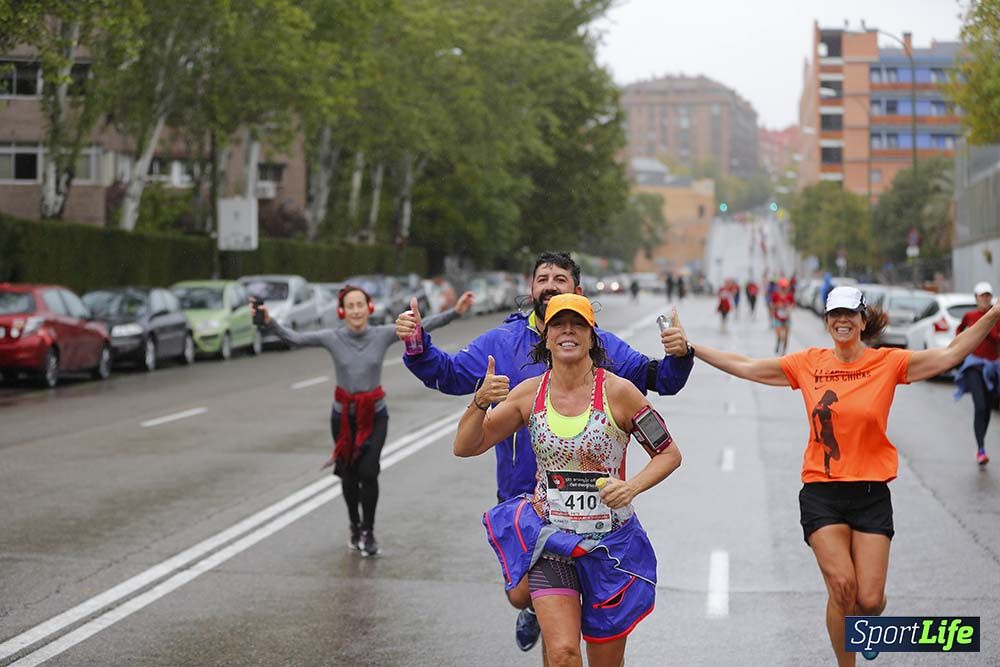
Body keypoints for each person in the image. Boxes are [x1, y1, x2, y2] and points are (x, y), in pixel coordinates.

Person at [395, 251, 693, 652]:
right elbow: (450, 380)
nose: (550, 286)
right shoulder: (503, 346)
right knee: (557, 642)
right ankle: (538, 606)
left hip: (606, 528)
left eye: (560, 280)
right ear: (536, 302)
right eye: (543, 279)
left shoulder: (613, 370)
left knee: (586, 647)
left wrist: (679, 356)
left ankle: (545, 607)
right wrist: (418, 349)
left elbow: (659, 385)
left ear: (588, 324)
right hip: (534, 511)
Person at [688, 285, 1000, 666]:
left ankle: (865, 625)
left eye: (850, 314)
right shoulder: (808, 363)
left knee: (868, 600)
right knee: (842, 589)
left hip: (870, 493)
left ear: (862, 320)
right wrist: (694, 350)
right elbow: (749, 366)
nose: (842, 320)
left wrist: (994, 314)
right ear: (827, 321)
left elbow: (950, 353)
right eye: (834, 314)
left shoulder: (889, 363)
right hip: (822, 491)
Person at [454, 294, 682, 667]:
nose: (568, 331)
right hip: (552, 540)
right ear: (546, 335)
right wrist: (479, 403)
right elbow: (467, 446)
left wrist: (632, 486)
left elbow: (669, 453)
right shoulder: (530, 393)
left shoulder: (621, 393)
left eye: (578, 324)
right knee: (561, 653)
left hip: (610, 546)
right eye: (558, 324)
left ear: (592, 336)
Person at [251, 285, 473, 556]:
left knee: (369, 471)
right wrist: (268, 321)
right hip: (343, 417)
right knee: (349, 475)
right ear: (342, 311)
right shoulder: (332, 337)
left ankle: (368, 531)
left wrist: (456, 312)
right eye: (350, 306)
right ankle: (354, 526)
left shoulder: (381, 334)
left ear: (369, 308)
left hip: (375, 415)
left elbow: (421, 325)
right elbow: (295, 338)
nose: (356, 310)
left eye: (360, 305)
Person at [954, 281, 1000, 465]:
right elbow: (959, 331)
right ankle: (981, 449)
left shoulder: (995, 317)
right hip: (974, 367)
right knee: (980, 407)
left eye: (988, 296)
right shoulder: (970, 315)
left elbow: (997, 337)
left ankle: (982, 444)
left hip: (993, 367)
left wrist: (985, 325)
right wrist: (961, 348)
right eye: (982, 296)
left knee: (987, 409)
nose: (985, 299)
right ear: (976, 298)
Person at [772, 278, 794, 354]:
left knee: (786, 337)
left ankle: (783, 353)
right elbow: (772, 306)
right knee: (779, 336)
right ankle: (778, 343)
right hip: (777, 318)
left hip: (787, 318)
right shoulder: (775, 295)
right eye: (782, 287)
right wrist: (778, 306)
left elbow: (793, 305)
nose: (784, 289)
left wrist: (789, 307)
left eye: (785, 287)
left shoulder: (790, 296)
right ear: (780, 287)